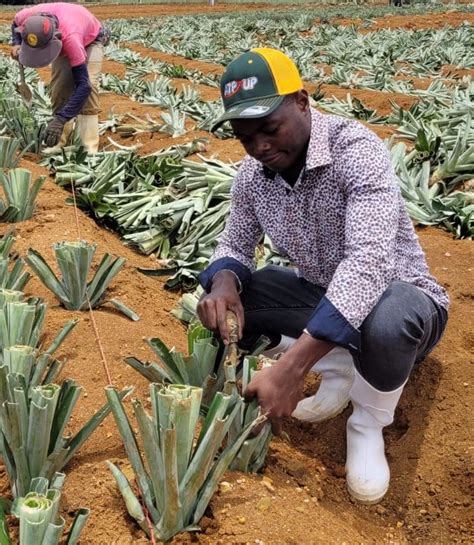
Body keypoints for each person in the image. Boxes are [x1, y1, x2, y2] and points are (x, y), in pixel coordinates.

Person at [197, 48, 449, 504]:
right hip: (321, 296)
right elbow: (234, 246)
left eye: (269, 129)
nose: (260, 148)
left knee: (387, 318)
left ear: (301, 101)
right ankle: (338, 361)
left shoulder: (356, 150)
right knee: (229, 299)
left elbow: (368, 263)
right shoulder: (253, 176)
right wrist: (223, 282)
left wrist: (292, 370)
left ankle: (367, 422)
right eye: (245, 138)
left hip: (402, 302)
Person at [11, 3, 109, 153]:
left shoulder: (71, 38)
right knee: (60, 87)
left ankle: (88, 146)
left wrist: (60, 119)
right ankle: (60, 142)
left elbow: (83, 85)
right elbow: (15, 24)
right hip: (61, 32)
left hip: (91, 39)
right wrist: (17, 43)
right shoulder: (24, 18)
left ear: (54, 40)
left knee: (89, 85)